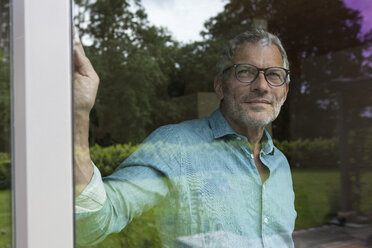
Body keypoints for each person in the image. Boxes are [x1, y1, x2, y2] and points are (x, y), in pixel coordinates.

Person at [74, 28, 297, 247]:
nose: (261, 86)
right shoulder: (176, 146)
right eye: (246, 72)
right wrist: (80, 112)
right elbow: (94, 222)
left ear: (284, 93)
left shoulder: (280, 164)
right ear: (220, 87)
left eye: (273, 75)